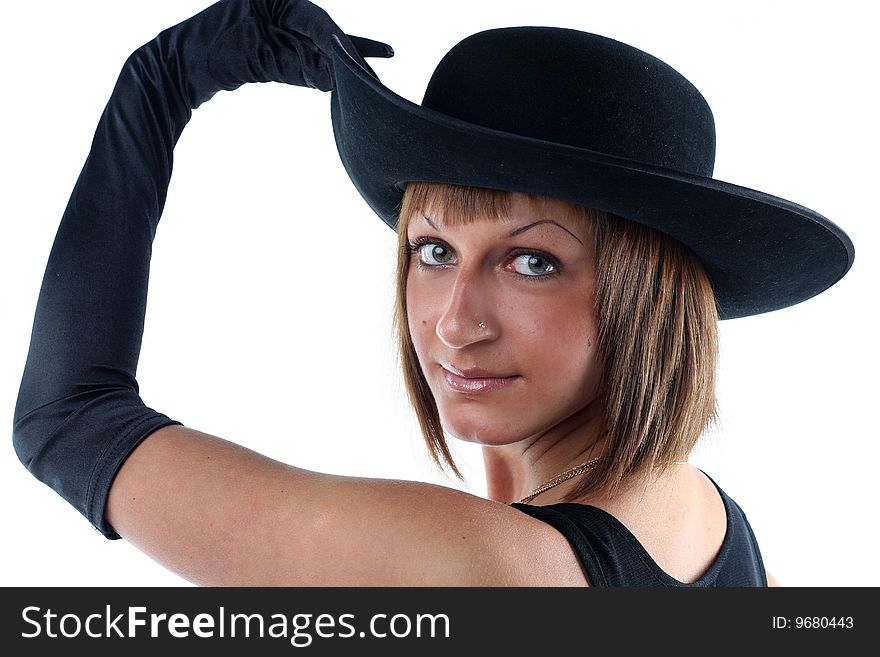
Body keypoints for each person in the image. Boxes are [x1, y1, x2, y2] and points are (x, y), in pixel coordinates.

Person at [11, 0, 853, 586]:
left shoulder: (483, 568)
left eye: (533, 262)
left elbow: (65, 419)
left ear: (650, 302)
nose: (453, 320)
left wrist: (157, 86)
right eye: (435, 248)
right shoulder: (721, 531)